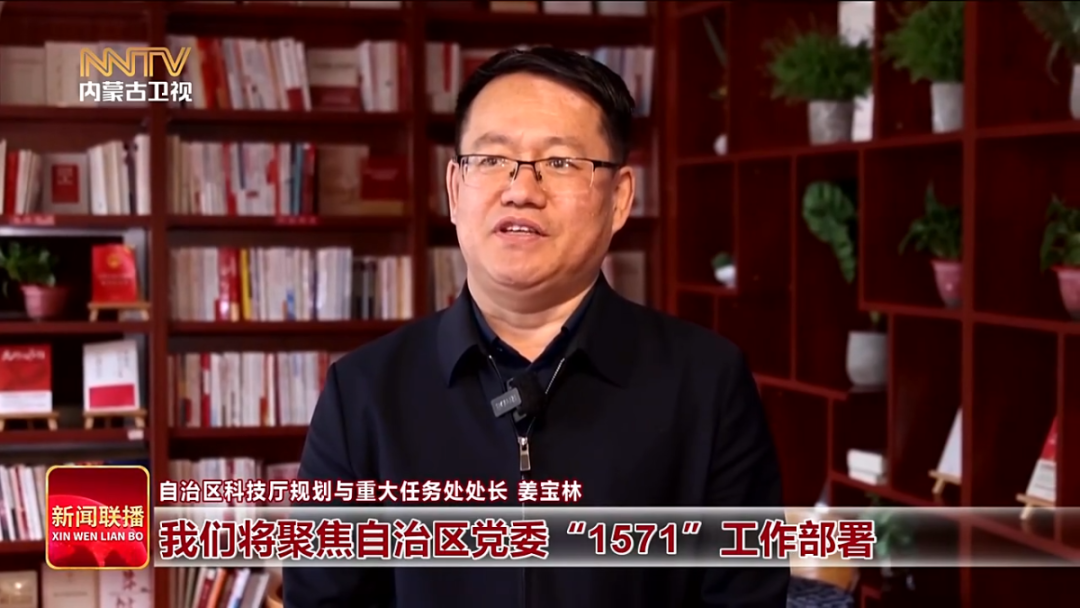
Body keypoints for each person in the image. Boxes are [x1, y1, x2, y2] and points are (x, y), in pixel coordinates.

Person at [283, 46, 789, 607]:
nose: (521, 189)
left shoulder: (708, 384)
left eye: (561, 162)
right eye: (492, 159)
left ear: (620, 199)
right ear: (454, 190)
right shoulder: (363, 393)